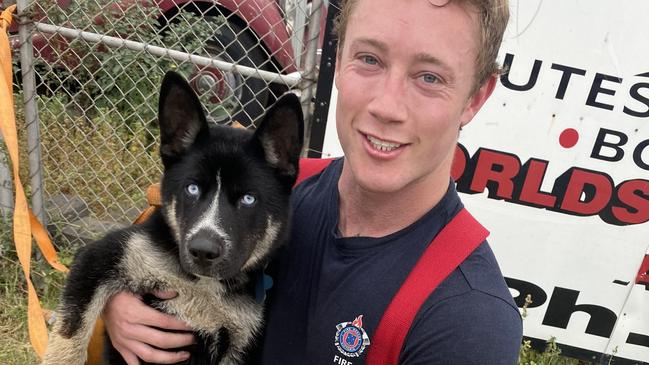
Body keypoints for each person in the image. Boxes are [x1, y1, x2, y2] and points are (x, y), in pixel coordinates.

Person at [103, 0, 523, 363]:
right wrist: (122, 304)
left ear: (475, 97)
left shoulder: (467, 321)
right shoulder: (278, 194)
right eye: (370, 59)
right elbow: (153, 260)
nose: (387, 106)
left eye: (429, 77)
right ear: (338, 61)